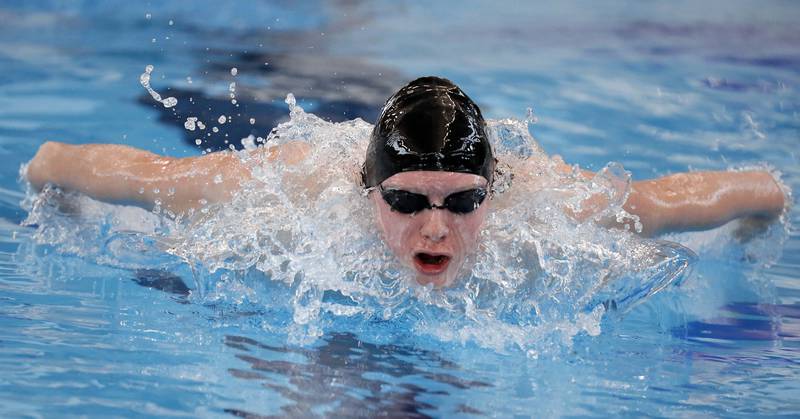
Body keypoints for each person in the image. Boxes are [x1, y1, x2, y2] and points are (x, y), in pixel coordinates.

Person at [25, 77, 788, 288]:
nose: (435, 228)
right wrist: (47, 193)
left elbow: (743, 192)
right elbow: (114, 170)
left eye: (463, 203)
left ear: (492, 192)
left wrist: (753, 249)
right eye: (406, 201)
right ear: (369, 193)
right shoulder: (280, 193)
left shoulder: (556, 207)